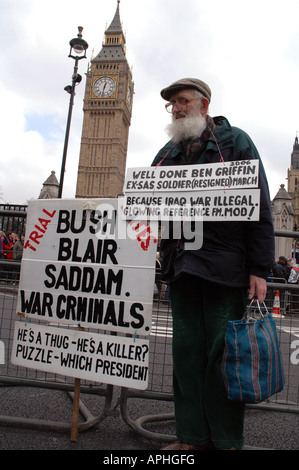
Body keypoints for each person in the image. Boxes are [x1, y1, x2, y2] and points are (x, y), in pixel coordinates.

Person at [151, 78, 275, 450]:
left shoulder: (236, 142)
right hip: (182, 269)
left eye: (183, 101)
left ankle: (225, 440)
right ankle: (189, 437)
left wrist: (259, 268)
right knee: (186, 359)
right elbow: (149, 205)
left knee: (223, 359)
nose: (176, 108)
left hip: (225, 269)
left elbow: (260, 205)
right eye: (172, 103)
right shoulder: (166, 153)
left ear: (204, 105)